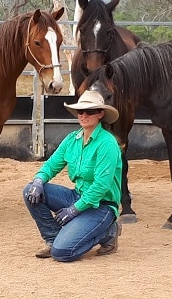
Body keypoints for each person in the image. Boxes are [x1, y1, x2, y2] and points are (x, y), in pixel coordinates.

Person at [23, 89, 123, 262]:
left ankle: (108, 232)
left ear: (100, 114)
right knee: (30, 190)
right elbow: (51, 165)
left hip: (102, 205)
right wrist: (39, 180)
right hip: (78, 196)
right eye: (80, 111)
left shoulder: (107, 143)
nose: (84, 115)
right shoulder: (72, 139)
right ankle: (53, 237)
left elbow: (101, 186)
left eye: (90, 111)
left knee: (63, 253)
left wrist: (74, 210)